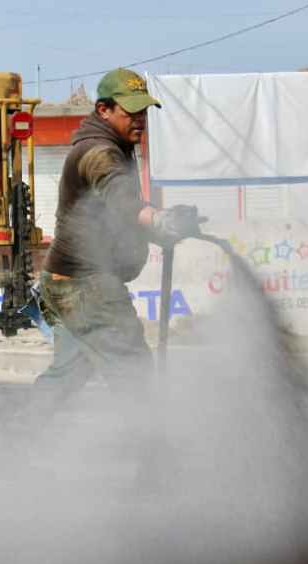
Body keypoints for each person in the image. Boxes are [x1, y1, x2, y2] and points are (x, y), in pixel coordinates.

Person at [33, 68, 203, 402]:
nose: (139, 120)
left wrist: (160, 229)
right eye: (130, 113)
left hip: (66, 282)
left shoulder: (114, 145)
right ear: (103, 110)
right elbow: (122, 200)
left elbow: (115, 215)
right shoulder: (99, 152)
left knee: (68, 374)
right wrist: (160, 219)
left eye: (143, 112)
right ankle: (151, 448)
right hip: (87, 285)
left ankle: (15, 442)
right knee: (133, 372)